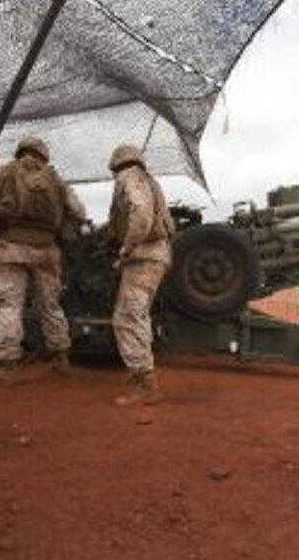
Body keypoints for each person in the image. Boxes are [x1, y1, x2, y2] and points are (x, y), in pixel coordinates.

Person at [0, 135, 86, 384]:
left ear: (20, 151)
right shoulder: (56, 179)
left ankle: (9, 365)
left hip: (12, 246)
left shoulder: (4, 172)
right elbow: (80, 211)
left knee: (9, 305)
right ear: (44, 155)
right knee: (51, 305)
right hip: (46, 249)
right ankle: (60, 357)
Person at [107, 143, 175, 406]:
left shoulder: (129, 178)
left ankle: (145, 384)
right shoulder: (146, 178)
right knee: (136, 316)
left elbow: (142, 215)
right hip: (154, 255)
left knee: (127, 318)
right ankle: (142, 378)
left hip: (144, 255)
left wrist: (127, 247)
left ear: (116, 165)